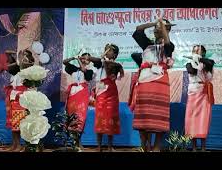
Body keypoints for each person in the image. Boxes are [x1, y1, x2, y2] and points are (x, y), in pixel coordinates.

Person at [129, 18, 175, 152]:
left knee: (158, 114)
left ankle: (156, 146)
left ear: (167, 30)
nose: (156, 30)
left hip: (160, 83)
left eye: (161, 28)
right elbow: (138, 30)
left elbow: (167, 44)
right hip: (144, 82)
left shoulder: (169, 46)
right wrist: (155, 23)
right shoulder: (147, 45)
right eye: (155, 28)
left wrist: (163, 29)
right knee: (144, 114)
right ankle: (144, 144)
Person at [83, 43, 124, 152]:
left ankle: (110, 147)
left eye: (110, 50)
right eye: (106, 49)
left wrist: (92, 58)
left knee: (110, 118)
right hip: (101, 93)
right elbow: (97, 61)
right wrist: (91, 58)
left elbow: (115, 73)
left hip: (111, 93)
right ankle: (99, 146)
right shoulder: (100, 63)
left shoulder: (115, 65)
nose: (107, 51)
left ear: (115, 54)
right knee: (100, 119)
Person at [184, 45, 215, 152]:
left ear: (203, 53)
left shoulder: (208, 63)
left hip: (204, 94)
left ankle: (203, 148)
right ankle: (193, 148)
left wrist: (200, 60)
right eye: (194, 50)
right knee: (192, 120)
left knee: (203, 120)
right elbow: (192, 71)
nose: (196, 52)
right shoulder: (189, 64)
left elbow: (210, 73)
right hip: (193, 92)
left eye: (198, 50)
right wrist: (195, 60)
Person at [3, 49, 34, 152]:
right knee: (13, 123)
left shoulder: (29, 70)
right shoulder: (16, 70)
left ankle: (21, 146)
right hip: (13, 99)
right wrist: (10, 55)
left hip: (22, 99)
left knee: (19, 123)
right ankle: (15, 144)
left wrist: (22, 59)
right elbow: (11, 64)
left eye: (25, 56)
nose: (22, 58)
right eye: (22, 56)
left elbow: (26, 64)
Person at [63, 53, 94, 151]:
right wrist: (74, 57)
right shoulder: (73, 69)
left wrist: (79, 60)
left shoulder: (89, 71)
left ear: (89, 61)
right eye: (83, 58)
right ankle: (73, 142)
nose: (84, 60)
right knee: (71, 117)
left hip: (82, 94)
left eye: (86, 59)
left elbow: (84, 70)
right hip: (72, 94)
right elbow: (64, 62)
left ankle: (78, 142)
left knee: (81, 118)